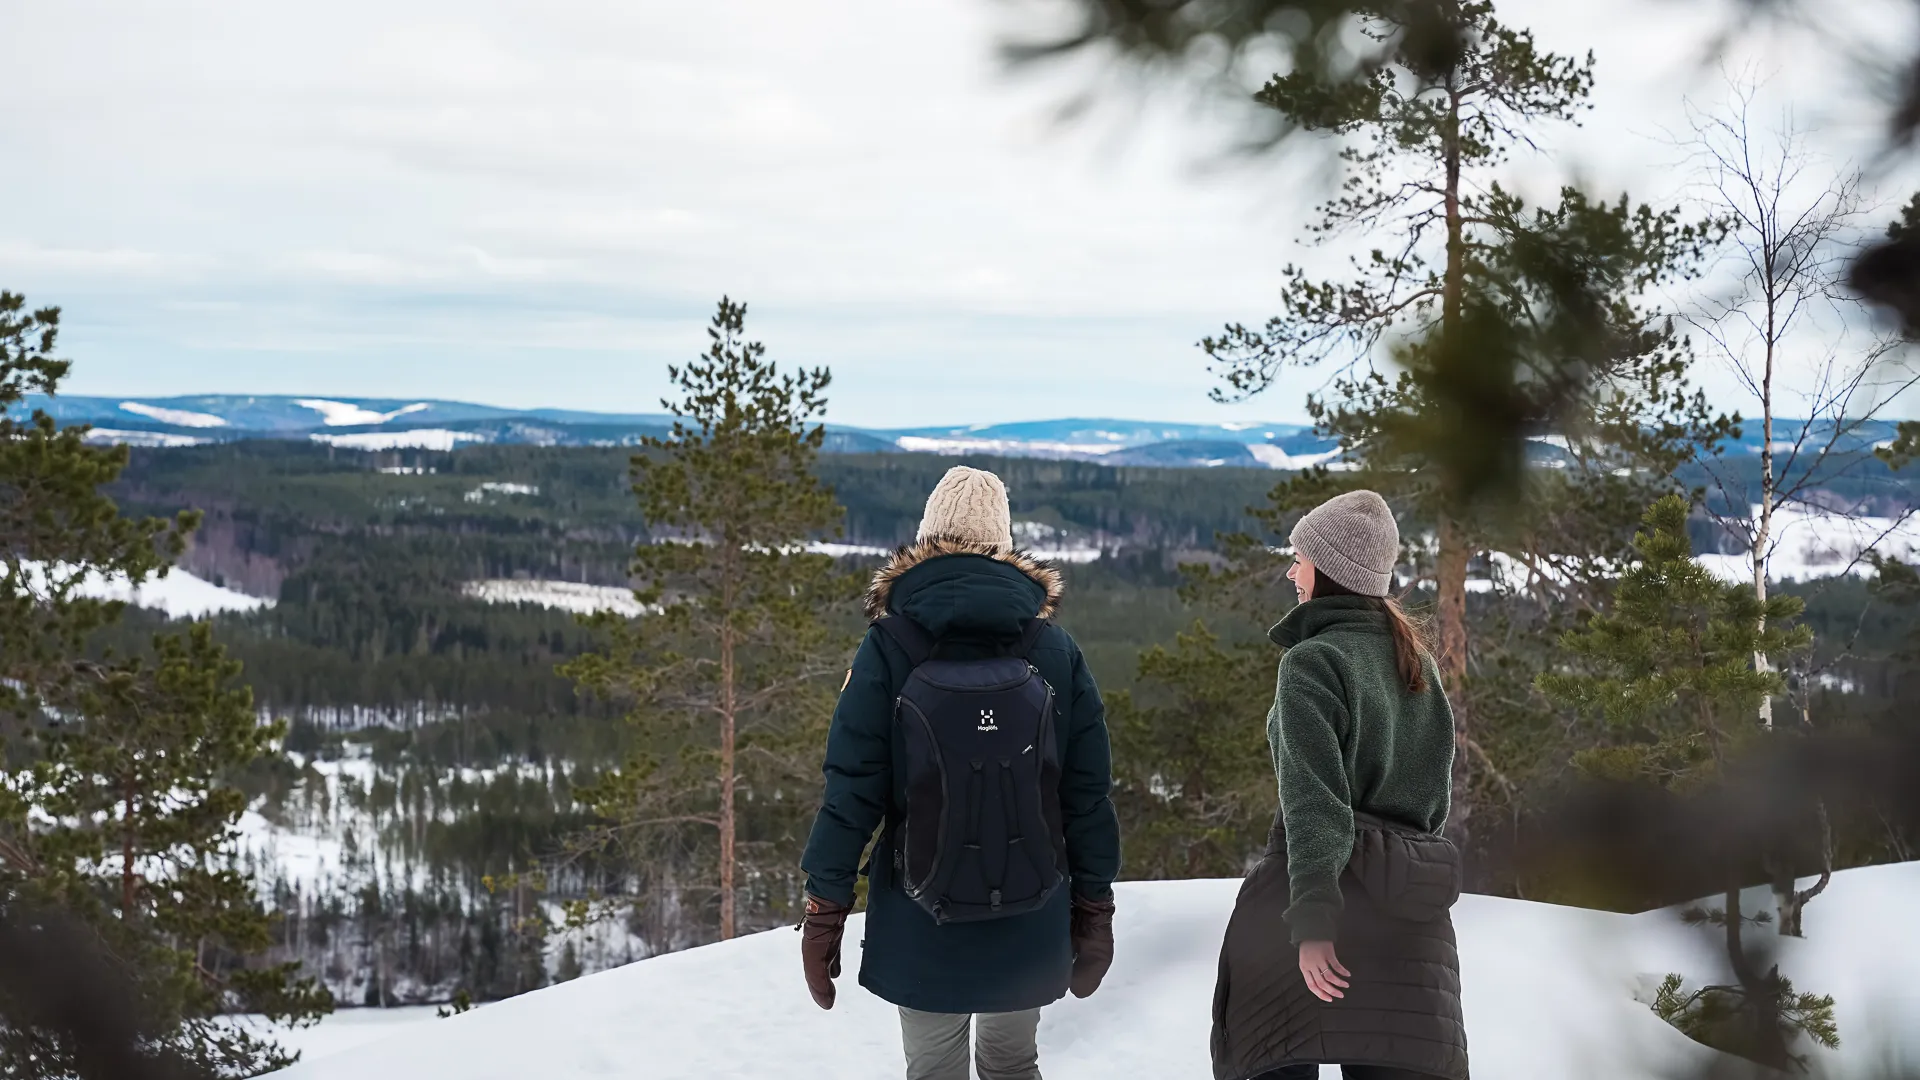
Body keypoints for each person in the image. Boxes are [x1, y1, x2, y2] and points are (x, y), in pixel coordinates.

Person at [798, 465, 1122, 1080]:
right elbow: (1086, 796)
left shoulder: (888, 646)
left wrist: (825, 905)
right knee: (1011, 1064)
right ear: (1004, 545)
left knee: (932, 1070)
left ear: (926, 541)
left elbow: (851, 790)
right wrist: (1095, 906)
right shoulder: (1055, 649)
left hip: (921, 911)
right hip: (1032, 905)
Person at [1210, 489, 1469, 1080]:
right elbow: (1432, 806)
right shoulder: (1415, 663)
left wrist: (1315, 925)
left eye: (1299, 557)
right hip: (1410, 915)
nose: (1290, 571)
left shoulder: (1312, 663)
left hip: (1311, 907)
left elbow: (1315, 807)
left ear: (1329, 570)